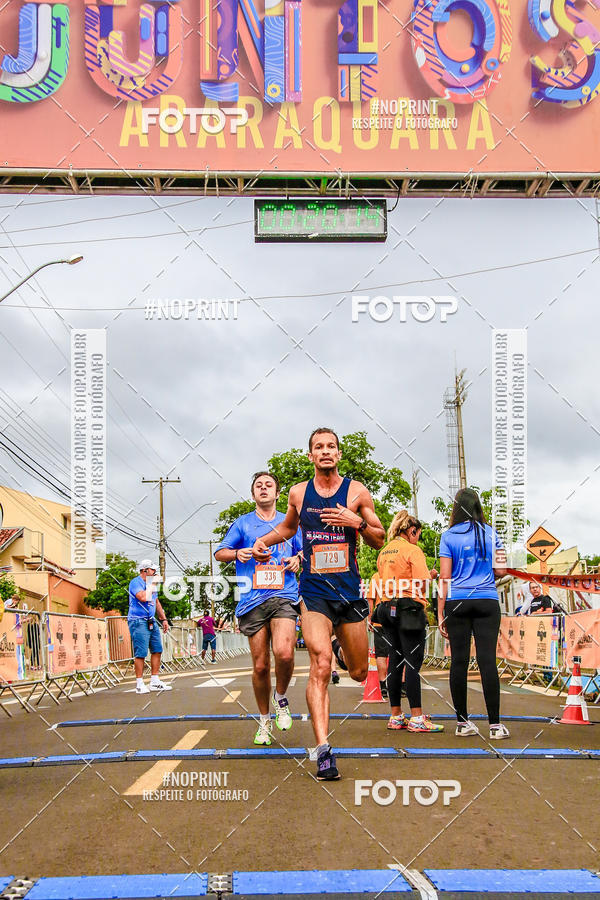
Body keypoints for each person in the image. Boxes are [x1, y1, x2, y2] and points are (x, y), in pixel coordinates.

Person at [252, 427, 385, 780]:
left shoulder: (356, 492)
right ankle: (324, 749)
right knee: (319, 664)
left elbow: (378, 537)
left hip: (349, 593)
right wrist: (264, 540)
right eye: (318, 447)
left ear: (338, 454)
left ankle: (344, 650)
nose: (325, 452)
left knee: (358, 672)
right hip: (313, 594)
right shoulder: (298, 493)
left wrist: (354, 522)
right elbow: (288, 528)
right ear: (311, 456)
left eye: (331, 447)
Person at [215, 471, 302, 746]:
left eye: (269, 485)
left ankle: (281, 697)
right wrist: (238, 553)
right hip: (252, 599)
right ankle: (264, 721)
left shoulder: (289, 523)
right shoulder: (243, 524)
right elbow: (220, 552)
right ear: (253, 494)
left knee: (285, 653)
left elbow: (306, 551)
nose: (263, 489)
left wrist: (298, 559)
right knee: (261, 665)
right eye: (258, 486)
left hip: (284, 594)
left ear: (277, 493)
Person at [437, 488, 509, 739]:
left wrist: (440, 612)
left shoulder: (448, 536)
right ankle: (495, 725)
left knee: (459, 661)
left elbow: (444, 577)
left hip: (457, 601)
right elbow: (501, 570)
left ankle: (462, 722)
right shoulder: (492, 533)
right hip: (487, 599)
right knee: (488, 660)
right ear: (479, 507)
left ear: (456, 508)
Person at [369, 511, 443, 733]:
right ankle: (417, 718)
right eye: (418, 534)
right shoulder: (412, 550)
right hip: (409, 608)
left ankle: (395, 715)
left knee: (395, 661)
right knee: (413, 663)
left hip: (387, 608)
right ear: (412, 530)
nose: (417, 538)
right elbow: (421, 582)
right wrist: (432, 575)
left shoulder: (384, 552)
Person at [128, 560, 171, 694]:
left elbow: (156, 601)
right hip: (138, 620)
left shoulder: (152, 585)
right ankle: (139, 683)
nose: (155, 572)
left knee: (157, 649)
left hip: (150, 620)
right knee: (140, 652)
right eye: (152, 570)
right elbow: (142, 597)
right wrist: (152, 583)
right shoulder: (136, 582)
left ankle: (155, 680)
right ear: (144, 570)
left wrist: (163, 619)